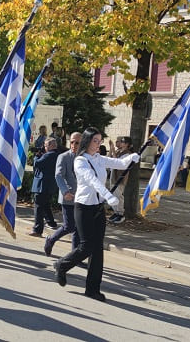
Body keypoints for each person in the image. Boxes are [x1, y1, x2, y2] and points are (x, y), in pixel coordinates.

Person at [53, 127, 140, 302]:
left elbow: (120, 164)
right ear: (87, 141)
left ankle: (92, 289)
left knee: (97, 249)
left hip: (98, 207)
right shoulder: (80, 161)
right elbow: (92, 181)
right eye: (95, 140)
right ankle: (62, 264)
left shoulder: (99, 158)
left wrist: (132, 157)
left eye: (100, 141)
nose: (98, 144)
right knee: (86, 246)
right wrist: (108, 195)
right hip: (84, 207)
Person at [44, 132, 82, 257]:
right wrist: (65, 191)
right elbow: (59, 175)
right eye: (72, 142)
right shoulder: (64, 157)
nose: (74, 145)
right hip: (68, 196)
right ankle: (51, 239)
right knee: (69, 226)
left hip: (82, 198)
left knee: (78, 228)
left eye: (77, 142)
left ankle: (74, 256)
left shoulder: (85, 157)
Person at [29, 137, 60, 236]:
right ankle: (51, 223)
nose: (44, 148)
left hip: (42, 185)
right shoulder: (57, 155)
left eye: (46, 146)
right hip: (49, 186)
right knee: (46, 205)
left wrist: (36, 156)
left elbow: (37, 164)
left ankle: (37, 230)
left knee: (38, 207)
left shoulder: (49, 155)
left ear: (51, 146)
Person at [108, 136, 134, 223]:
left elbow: (118, 163)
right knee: (113, 195)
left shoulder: (127, 154)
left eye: (122, 142)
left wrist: (113, 149)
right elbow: (110, 159)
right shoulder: (119, 152)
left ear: (126, 144)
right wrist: (111, 150)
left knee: (119, 195)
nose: (119, 143)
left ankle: (120, 213)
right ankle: (115, 212)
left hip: (120, 177)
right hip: (114, 175)